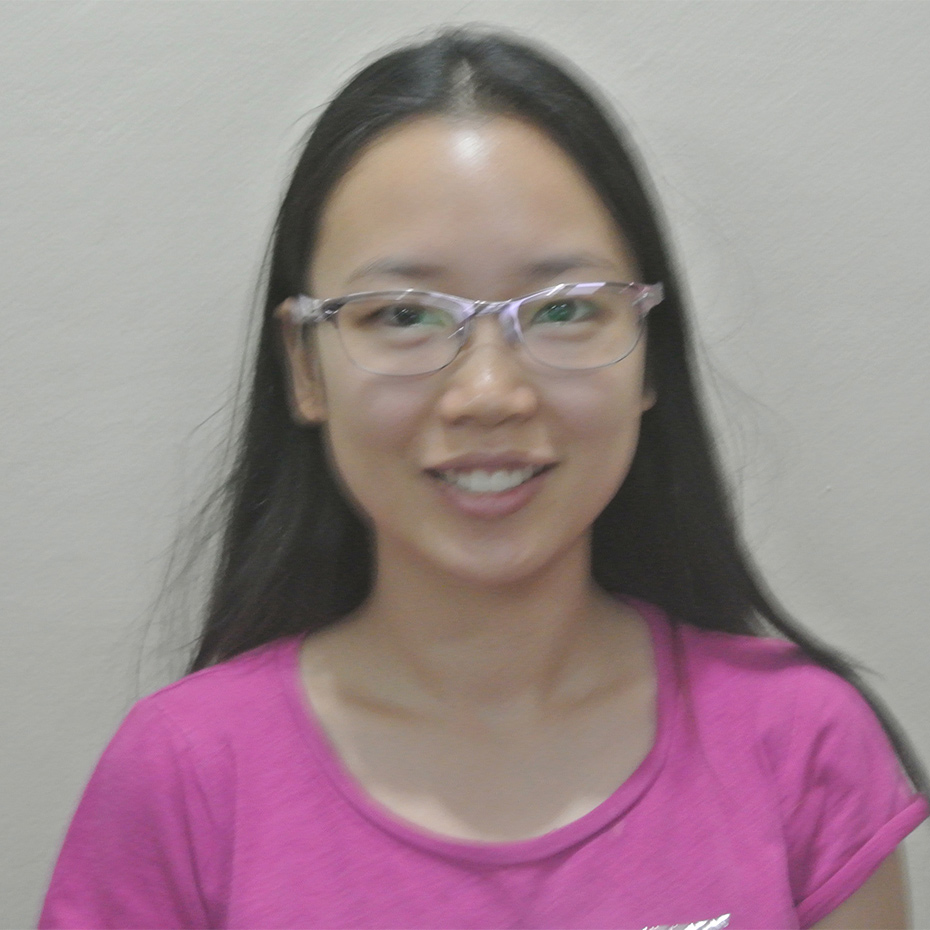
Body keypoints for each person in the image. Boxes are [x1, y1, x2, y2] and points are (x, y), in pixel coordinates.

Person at [39, 28, 927, 930]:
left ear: (649, 352)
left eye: (565, 308)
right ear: (305, 367)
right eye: (404, 315)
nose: (490, 393)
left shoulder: (799, 746)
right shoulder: (184, 775)